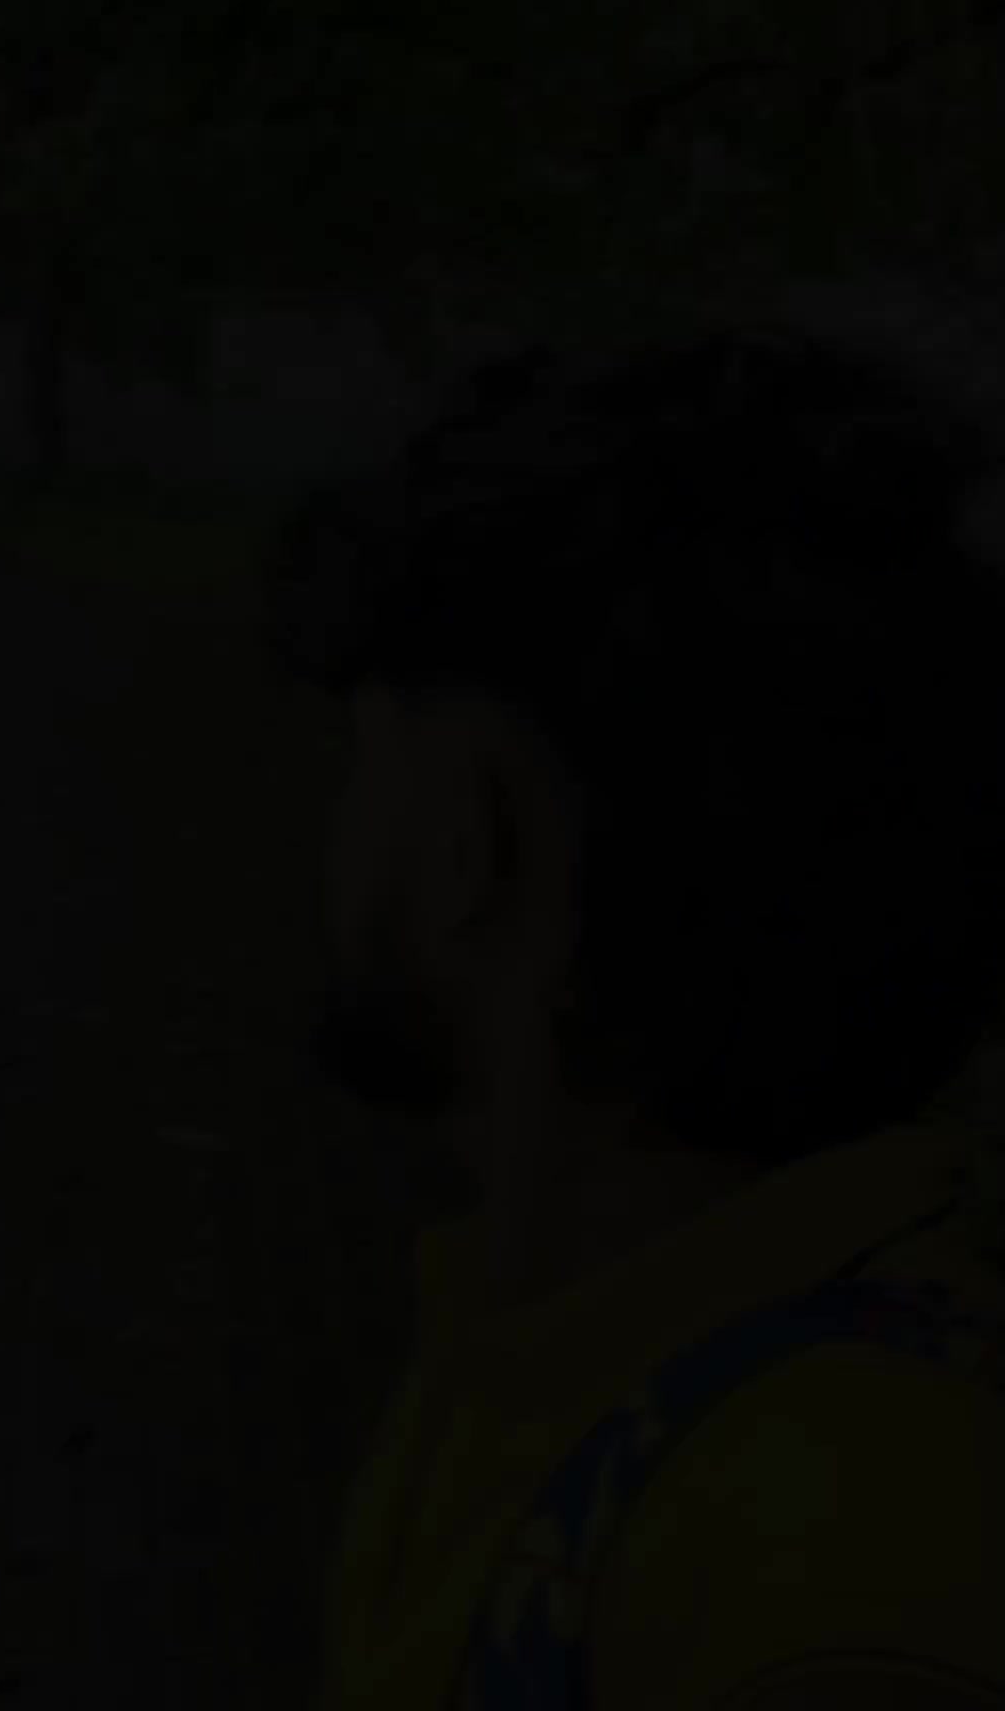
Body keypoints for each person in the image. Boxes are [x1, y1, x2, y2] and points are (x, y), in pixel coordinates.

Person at [263, 314, 1005, 1710]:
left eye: (367, 761)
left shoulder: (839, 1529)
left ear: (467, 842)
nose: (338, 836)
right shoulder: (585, 1335)